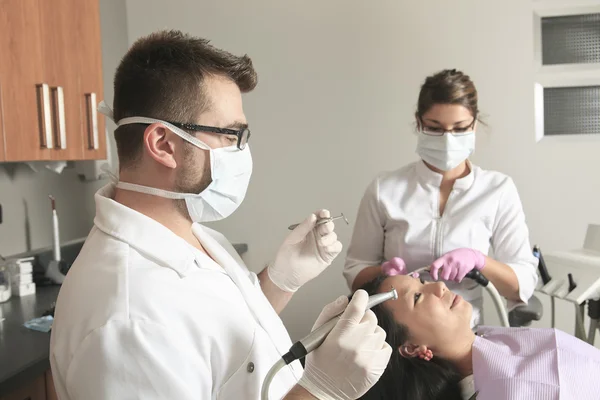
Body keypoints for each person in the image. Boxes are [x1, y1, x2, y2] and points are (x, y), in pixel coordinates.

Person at [49, 30, 392, 400]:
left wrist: (279, 282)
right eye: (231, 135)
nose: (242, 151)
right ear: (164, 144)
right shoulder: (129, 320)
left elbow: (221, 342)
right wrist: (321, 390)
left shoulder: (189, 231)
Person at [344, 69, 539, 326]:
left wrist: (479, 261)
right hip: (398, 335)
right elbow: (355, 272)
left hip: (465, 333)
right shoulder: (385, 190)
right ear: (419, 123)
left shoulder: (498, 190)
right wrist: (382, 274)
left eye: (459, 129)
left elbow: (521, 283)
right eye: (435, 129)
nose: (447, 140)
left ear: (475, 125)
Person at [358, 273, 600, 400]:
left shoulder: (496, 340)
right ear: (410, 347)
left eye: (422, 280)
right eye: (418, 296)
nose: (439, 285)